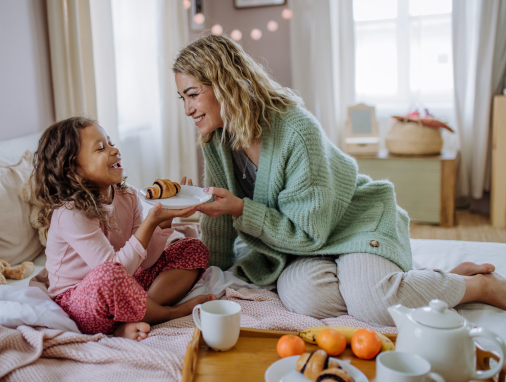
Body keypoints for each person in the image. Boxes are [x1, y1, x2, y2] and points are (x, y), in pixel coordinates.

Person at [173, 35, 506, 326]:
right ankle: (420, 281)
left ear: (224, 83)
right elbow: (218, 222)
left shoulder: (294, 129)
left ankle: (479, 286)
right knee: (307, 300)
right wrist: (209, 276)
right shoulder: (217, 140)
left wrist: (243, 210)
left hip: (352, 223)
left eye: (192, 94)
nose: (187, 110)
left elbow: (306, 230)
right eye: (182, 99)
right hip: (303, 245)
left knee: (373, 305)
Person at [31, 117, 215, 341]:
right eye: (100, 148)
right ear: (72, 169)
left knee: (192, 248)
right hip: (81, 300)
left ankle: (136, 315)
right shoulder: (71, 213)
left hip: (124, 281)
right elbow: (114, 270)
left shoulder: (128, 196)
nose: (114, 150)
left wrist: (164, 222)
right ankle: (167, 313)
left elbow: (146, 261)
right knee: (110, 274)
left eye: (110, 143)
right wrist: (150, 222)